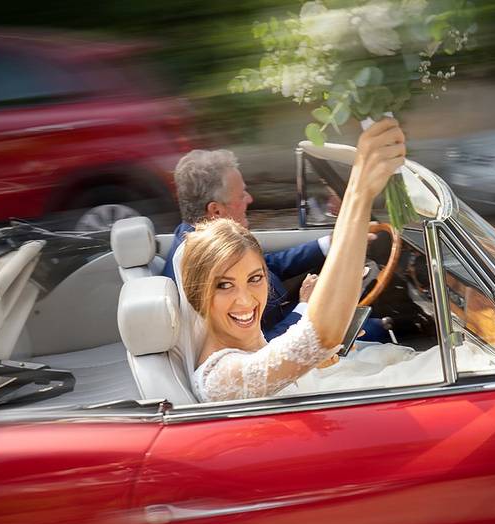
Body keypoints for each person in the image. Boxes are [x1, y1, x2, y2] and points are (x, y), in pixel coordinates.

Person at [181, 119, 426, 402]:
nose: (246, 300)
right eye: (224, 286)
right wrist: (360, 191)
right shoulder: (221, 379)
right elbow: (320, 336)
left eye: (255, 278)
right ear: (197, 292)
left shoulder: (243, 341)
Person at [162, 148, 390, 343]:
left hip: (283, 319)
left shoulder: (194, 238)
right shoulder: (207, 265)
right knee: (378, 329)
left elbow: (268, 265)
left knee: (367, 319)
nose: (249, 199)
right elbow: (256, 345)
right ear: (216, 211)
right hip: (281, 339)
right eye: (241, 195)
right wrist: (305, 307)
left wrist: (331, 243)